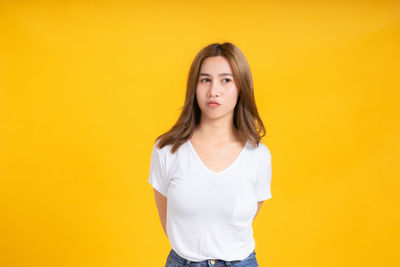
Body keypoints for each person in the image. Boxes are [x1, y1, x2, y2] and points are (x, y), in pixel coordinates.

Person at [148, 42, 272, 267]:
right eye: (205, 79)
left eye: (226, 80)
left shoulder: (258, 155)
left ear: (241, 86)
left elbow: (239, 223)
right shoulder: (167, 150)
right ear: (194, 87)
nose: (213, 91)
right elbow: (170, 223)